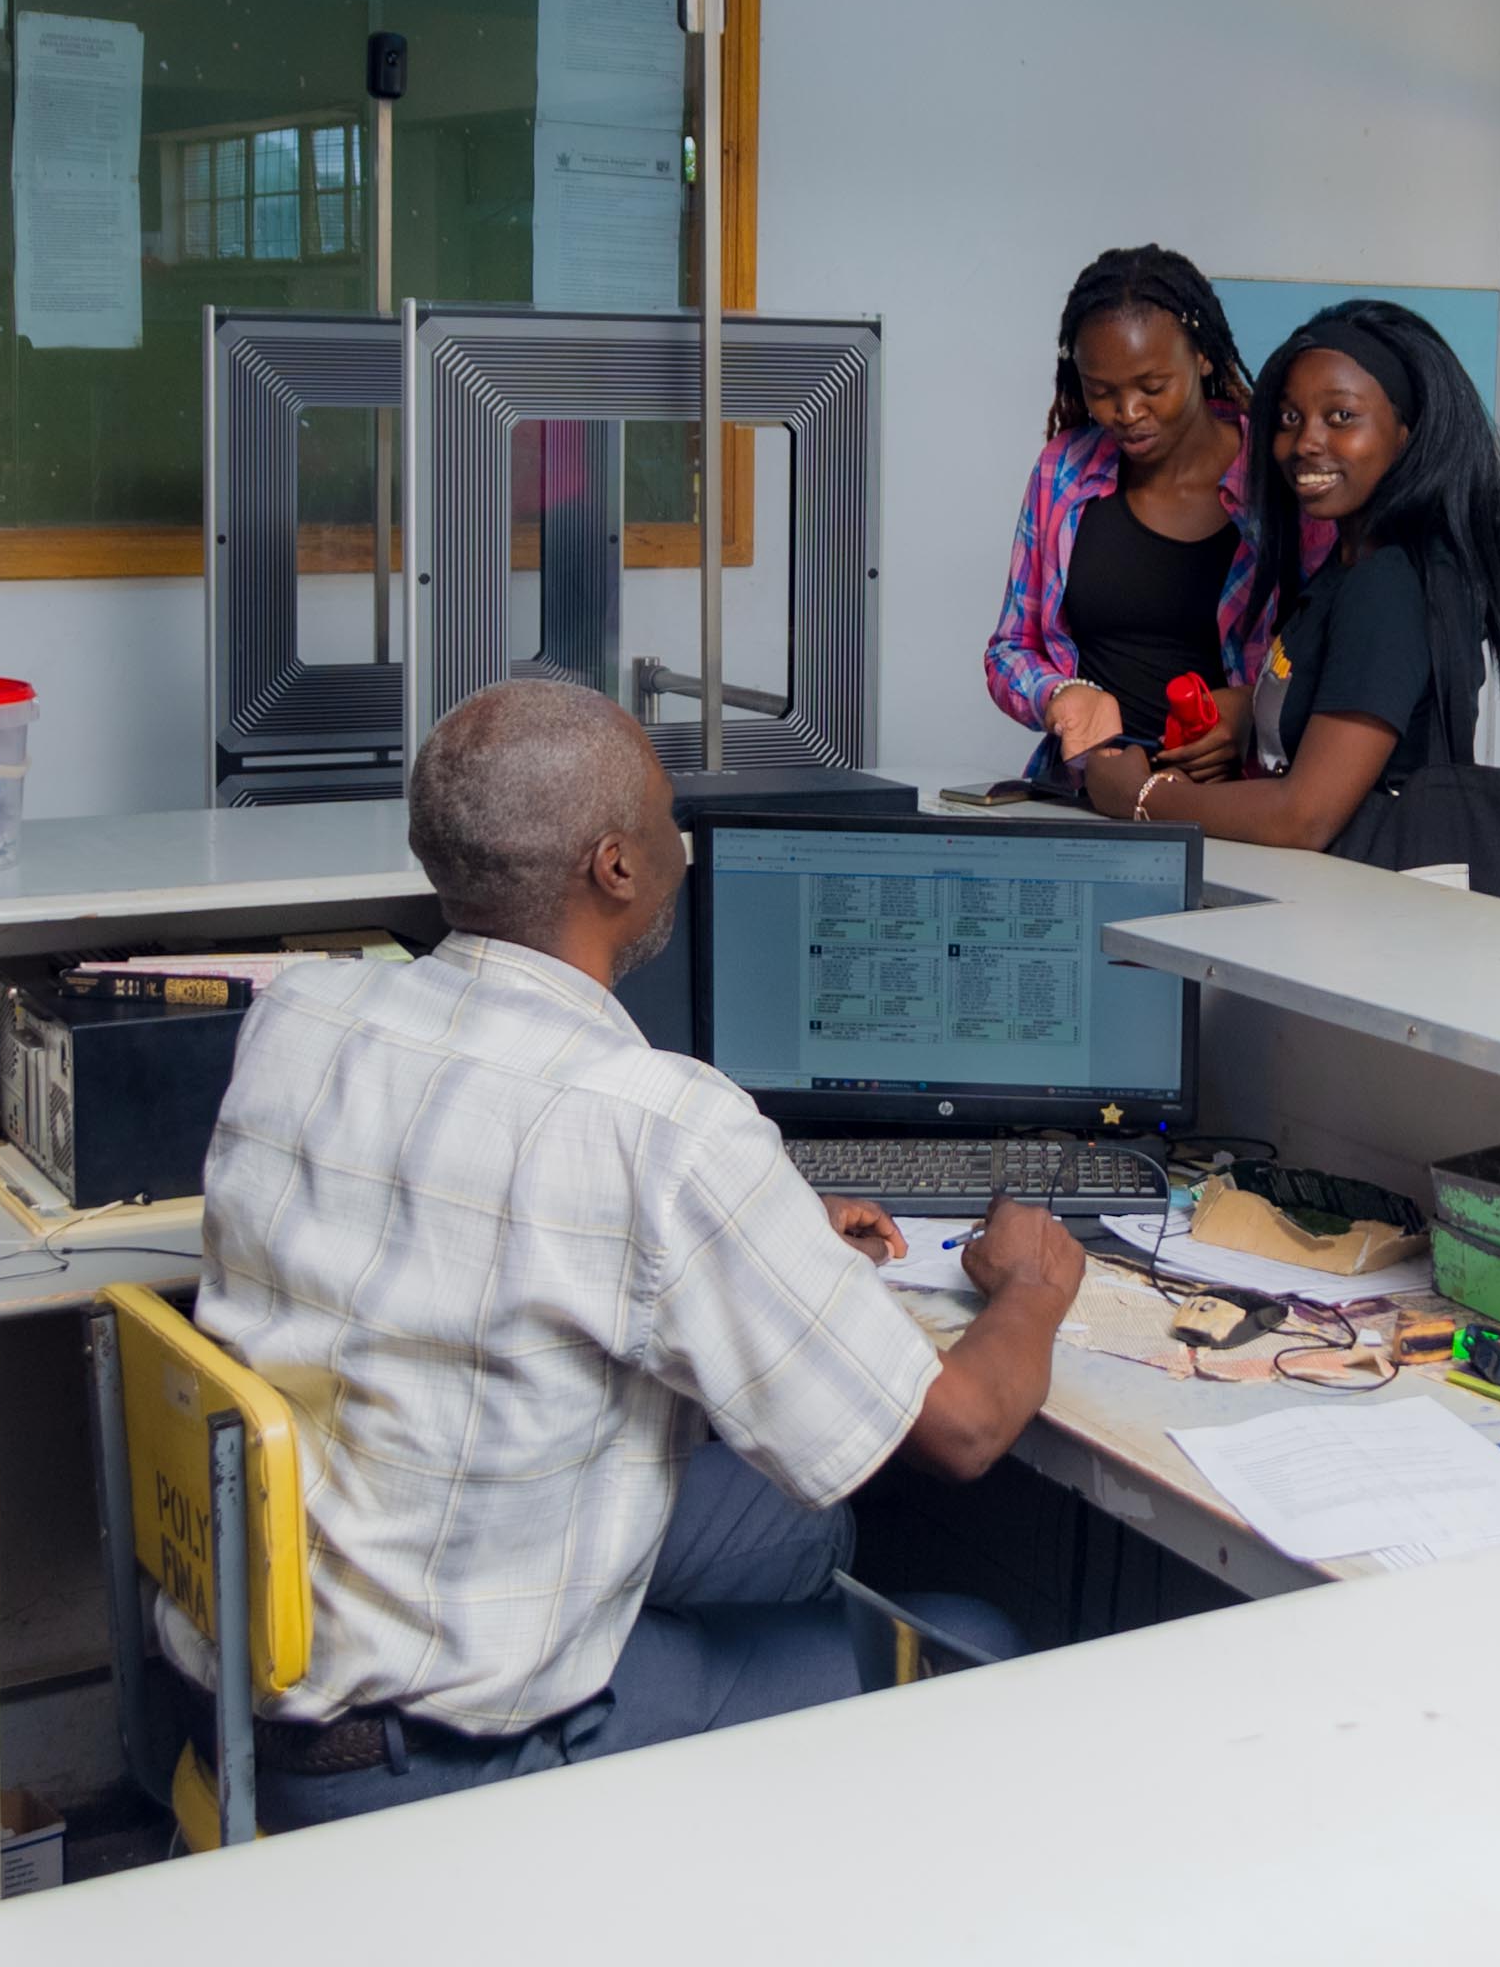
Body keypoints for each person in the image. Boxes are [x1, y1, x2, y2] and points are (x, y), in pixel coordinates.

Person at [174, 677, 1084, 1830]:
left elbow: (476, 1177)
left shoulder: (303, 1011)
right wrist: (1030, 1294)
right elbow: (963, 1428)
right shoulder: (660, 1123)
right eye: (666, 818)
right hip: (442, 1759)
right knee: (984, 1641)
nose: (681, 845)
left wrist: (752, 1221)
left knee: (803, 1526)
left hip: (278, 1648)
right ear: (615, 865)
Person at [1080, 299, 1500, 900]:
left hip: (1381, 929)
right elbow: (1366, 694)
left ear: (1407, 433)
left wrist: (1138, 799)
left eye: (1341, 417)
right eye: (1291, 418)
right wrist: (1250, 708)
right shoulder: (1348, 567)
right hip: (1345, 921)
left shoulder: (1392, 583)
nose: (1305, 443)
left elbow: (1304, 815)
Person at [982, 246, 1297, 794]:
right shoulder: (1064, 471)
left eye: (1153, 387)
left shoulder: (1279, 477)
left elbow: (1334, 662)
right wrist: (1061, 695)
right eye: (1100, 391)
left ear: (1202, 357)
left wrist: (1251, 708)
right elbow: (1010, 649)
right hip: (1091, 798)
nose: (1126, 413)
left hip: (1238, 809)